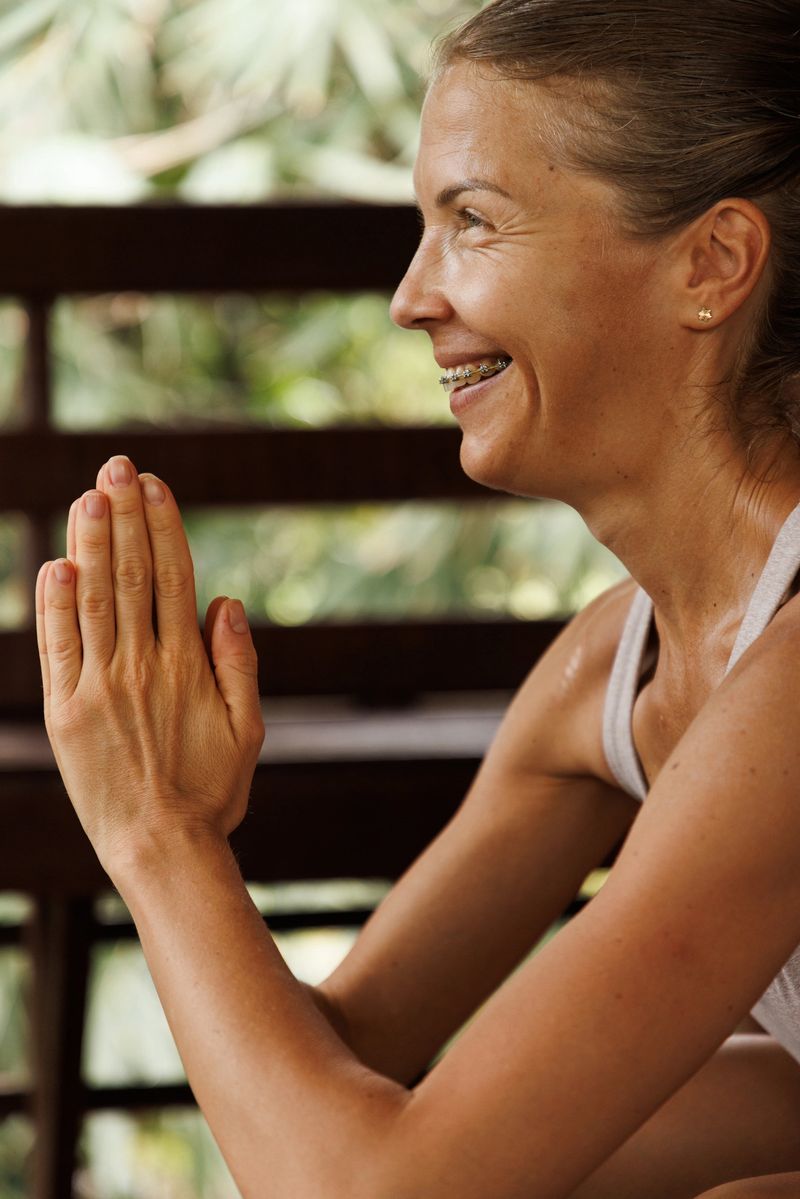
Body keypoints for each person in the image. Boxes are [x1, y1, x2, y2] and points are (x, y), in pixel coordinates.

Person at [34, 1, 800, 1195]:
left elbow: (370, 1186)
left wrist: (157, 835)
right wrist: (181, 827)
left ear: (708, 265)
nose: (409, 296)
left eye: (470, 222)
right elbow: (344, 1054)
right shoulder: (614, 669)